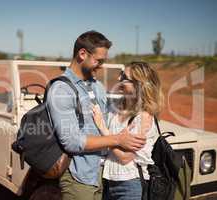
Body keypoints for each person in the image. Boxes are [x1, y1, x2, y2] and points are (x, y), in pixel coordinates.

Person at [46, 31, 146, 200]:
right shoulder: (61, 90)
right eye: (99, 61)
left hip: (102, 175)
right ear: (82, 54)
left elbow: (105, 122)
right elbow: (72, 141)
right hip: (79, 177)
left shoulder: (97, 86)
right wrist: (117, 140)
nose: (101, 66)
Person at [92, 61, 164, 200]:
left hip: (130, 185)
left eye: (124, 77)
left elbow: (125, 158)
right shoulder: (115, 108)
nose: (119, 79)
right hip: (108, 181)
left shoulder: (143, 117)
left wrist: (104, 130)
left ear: (138, 85)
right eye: (121, 74)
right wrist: (117, 140)